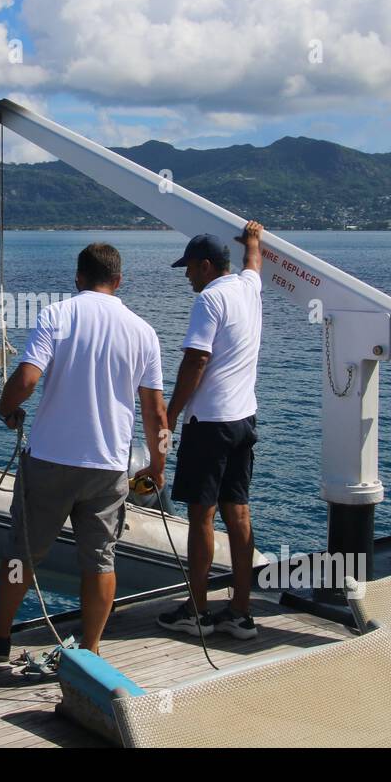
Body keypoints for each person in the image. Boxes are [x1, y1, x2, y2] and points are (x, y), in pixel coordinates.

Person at [0, 243, 168, 662]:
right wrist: (158, 465)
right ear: (119, 281)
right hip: (108, 467)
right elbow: (156, 411)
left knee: (22, 554)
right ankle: (91, 651)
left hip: (49, 459)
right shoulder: (143, 332)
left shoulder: (56, 315)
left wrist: (5, 408)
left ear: (78, 277)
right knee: (101, 560)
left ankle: (0, 642)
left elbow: (28, 378)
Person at [157, 224, 264, 640]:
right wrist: (253, 240)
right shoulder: (248, 288)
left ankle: (197, 609)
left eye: (189, 268)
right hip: (244, 420)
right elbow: (254, 263)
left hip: (209, 424)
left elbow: (196, 361)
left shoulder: (210, 299)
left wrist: (170, 412)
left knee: (201, 515)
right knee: (237, 511)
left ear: (205, 266)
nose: (186, 276)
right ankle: (240, 611)